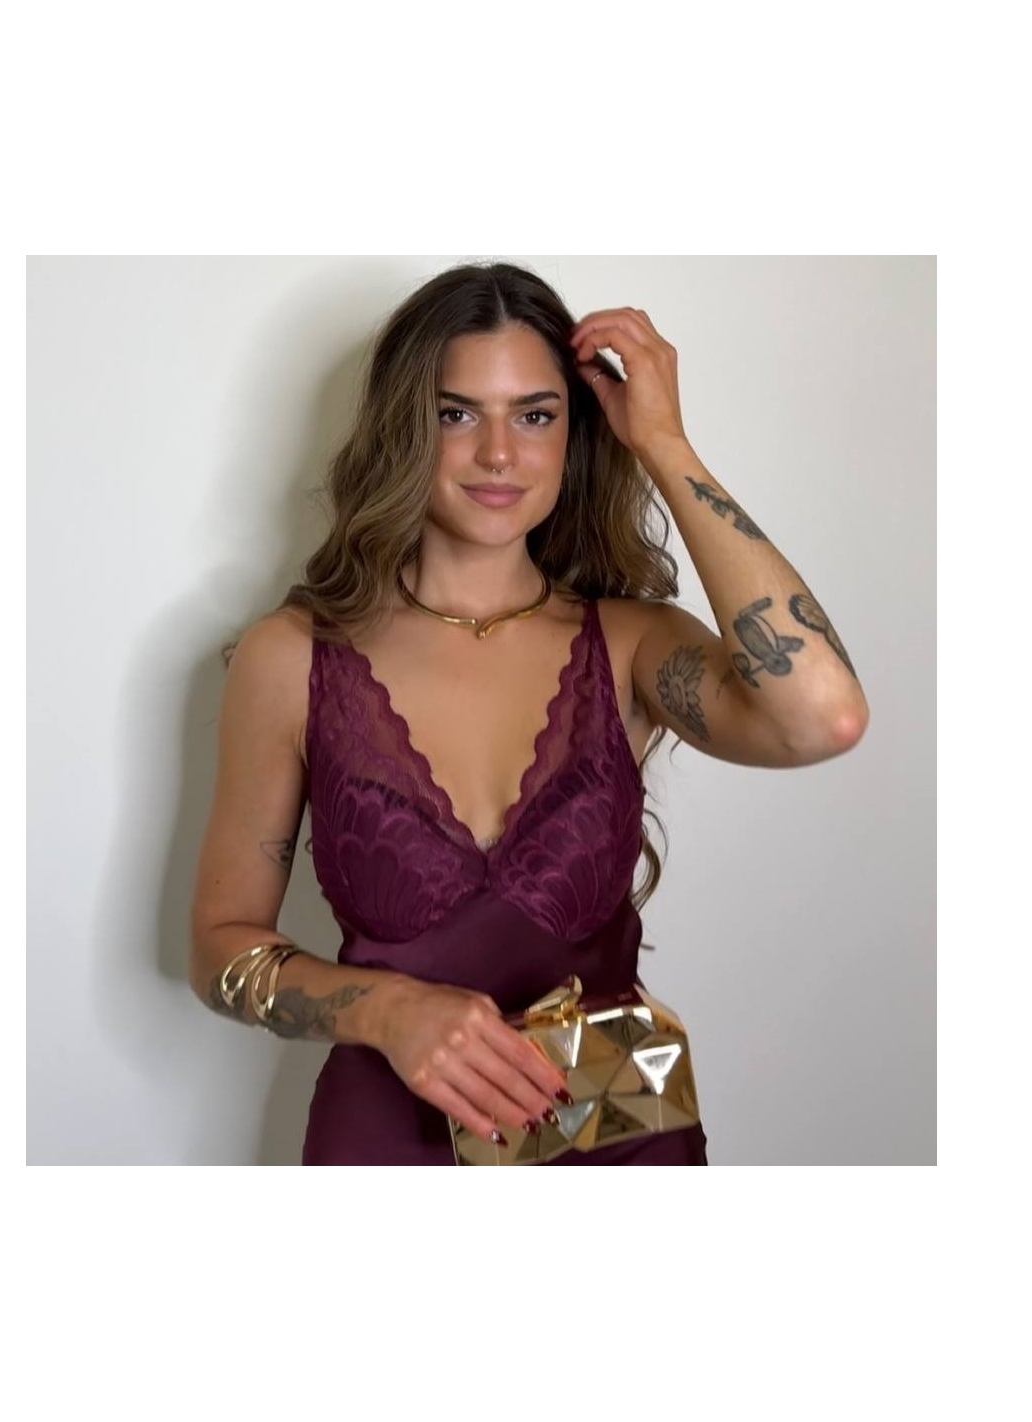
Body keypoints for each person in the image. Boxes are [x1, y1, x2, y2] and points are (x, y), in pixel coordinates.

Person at [188, 261, 869, 1166]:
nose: (499, 454)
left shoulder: (629, 647)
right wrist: (385, 1010)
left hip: (617, 1137)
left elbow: (822, 715)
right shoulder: (294, 656)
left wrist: (664, 444)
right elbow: (218, 948)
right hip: (386, 1142)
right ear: (403, 427)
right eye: (456, 413)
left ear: (576, 433)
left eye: (536, 415)